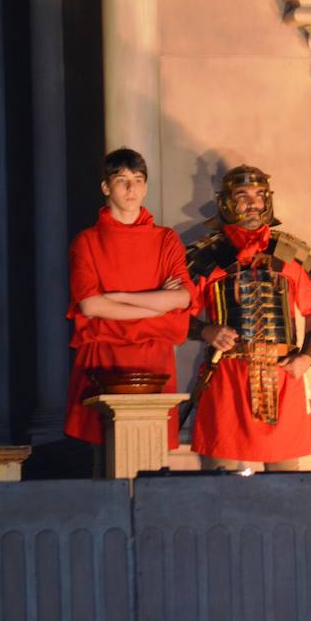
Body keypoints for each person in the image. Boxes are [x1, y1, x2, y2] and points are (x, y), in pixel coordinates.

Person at [185, 165, 311, 470]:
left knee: (286, 489)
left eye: (259, 195)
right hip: (228, 377)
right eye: (243, 196)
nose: (253, 203)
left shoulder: (291, 252)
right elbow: (171, 316)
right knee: (224, 488)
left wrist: (307, 357)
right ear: (227, 202)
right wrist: (206, 331)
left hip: (282, 376)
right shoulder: (206, 256)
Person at [65, 149, 194, 458]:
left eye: (138, 180)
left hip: (154, 359)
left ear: (146, 187)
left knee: (151, 458)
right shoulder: (87, 241)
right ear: (106, 188)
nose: (131, 188)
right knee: (104, 456)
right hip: (104, 357)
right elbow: (91, 307)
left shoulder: (166, 239)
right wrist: (157, 307)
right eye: (121, 180)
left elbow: (182, 297)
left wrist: (118, 296)